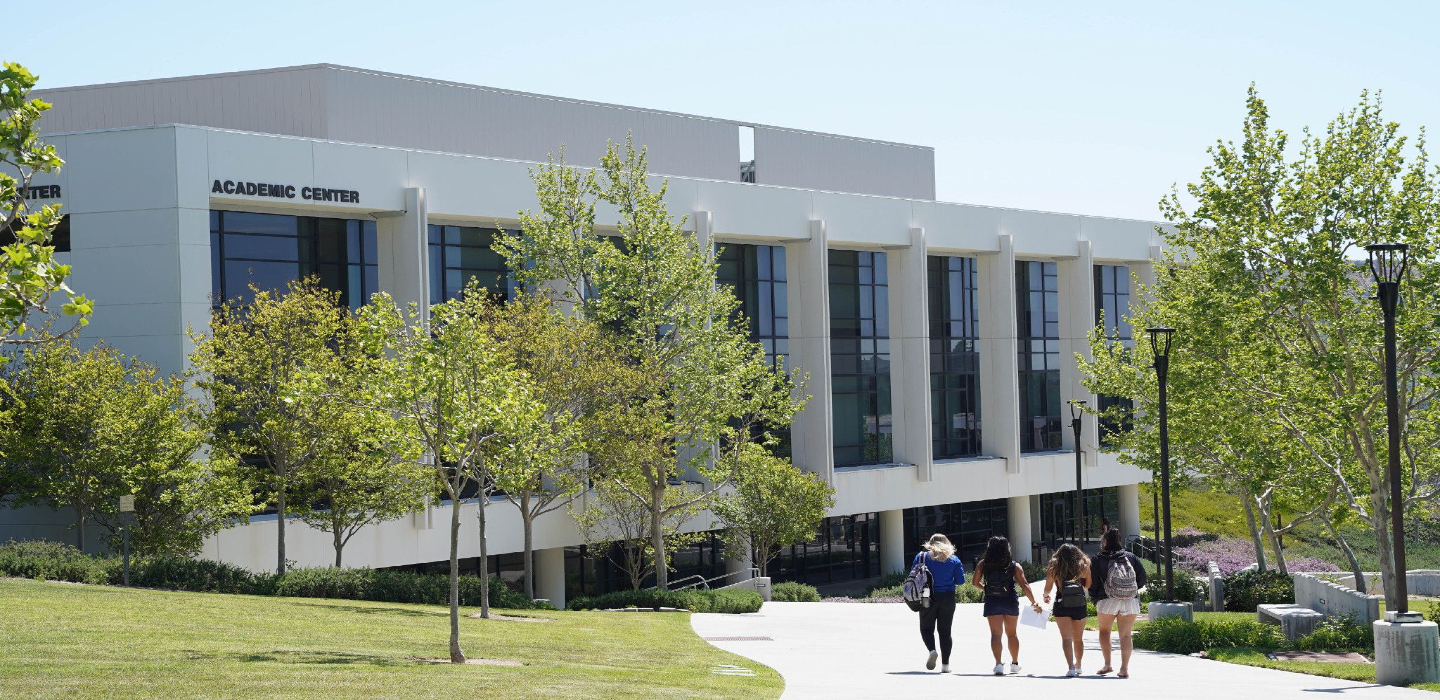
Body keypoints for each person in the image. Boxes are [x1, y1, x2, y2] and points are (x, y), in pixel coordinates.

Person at [971, 535, 1042, 676]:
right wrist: (1034, 602)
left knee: (996, 634)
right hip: (1009, 600)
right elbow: (1024, 585)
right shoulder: (1014, 565)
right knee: (1012, 634)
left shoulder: (983, 564)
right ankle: (1015, 664)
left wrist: (987, 588)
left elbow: (974, 583)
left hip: (992, 601)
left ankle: (998, 664)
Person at [1089, 528, 1148, 678]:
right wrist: (1129, 590)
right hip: (1130, 601)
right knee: (1126, 635)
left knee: (1104, 631)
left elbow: (1092, 582)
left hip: (1107, 599)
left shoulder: (1097, 559)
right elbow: (1142, 578)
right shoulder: (1131, 557)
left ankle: (1108, 665)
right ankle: (1124, 669)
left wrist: (1095, 598)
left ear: (1105, 541)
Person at [912, 533, 964, 673]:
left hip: (926, 595)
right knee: (945, 632)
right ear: (947, 543)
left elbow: (912, 575)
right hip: (947, 597)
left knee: (926, 628)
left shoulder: (921, 557)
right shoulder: (954, 559)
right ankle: (946, 665)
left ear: (930, 542)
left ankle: (932, 650)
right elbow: (960, 581)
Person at [1043, 543, 1092, 677]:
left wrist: (1045, 596)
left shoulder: (1054, 568)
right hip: (1079, 604)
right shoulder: (1084, 566)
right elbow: (1088, 585)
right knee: (1078, 638)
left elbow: (1048, 588)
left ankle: (1070, 667)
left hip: (1061, 603)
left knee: (1066, 638)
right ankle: (1079, 665)